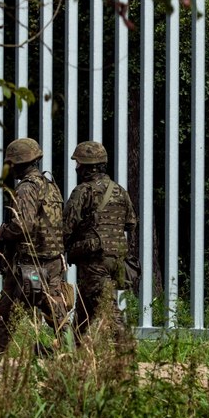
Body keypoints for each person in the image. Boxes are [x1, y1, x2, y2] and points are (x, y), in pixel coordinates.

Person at [0, 137, 68, 378]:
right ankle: (76, 357)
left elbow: (23, 226)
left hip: (29, 265)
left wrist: (2, 233)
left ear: (18, 164)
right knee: (55, 311)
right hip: (51, 262)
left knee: (5, 314)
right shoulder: (51, 185)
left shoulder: (27, 187)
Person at [63, 140, 137, 348]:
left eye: (78, 164)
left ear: (88, 167)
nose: (77, 168)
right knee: (85, 309)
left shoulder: (83, 191)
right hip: (117, 259)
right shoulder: (119, 191)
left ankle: (126, 351)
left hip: (95, 259)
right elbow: (131, 223)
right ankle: (73, 347)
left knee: (107, 307)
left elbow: (67, 227)